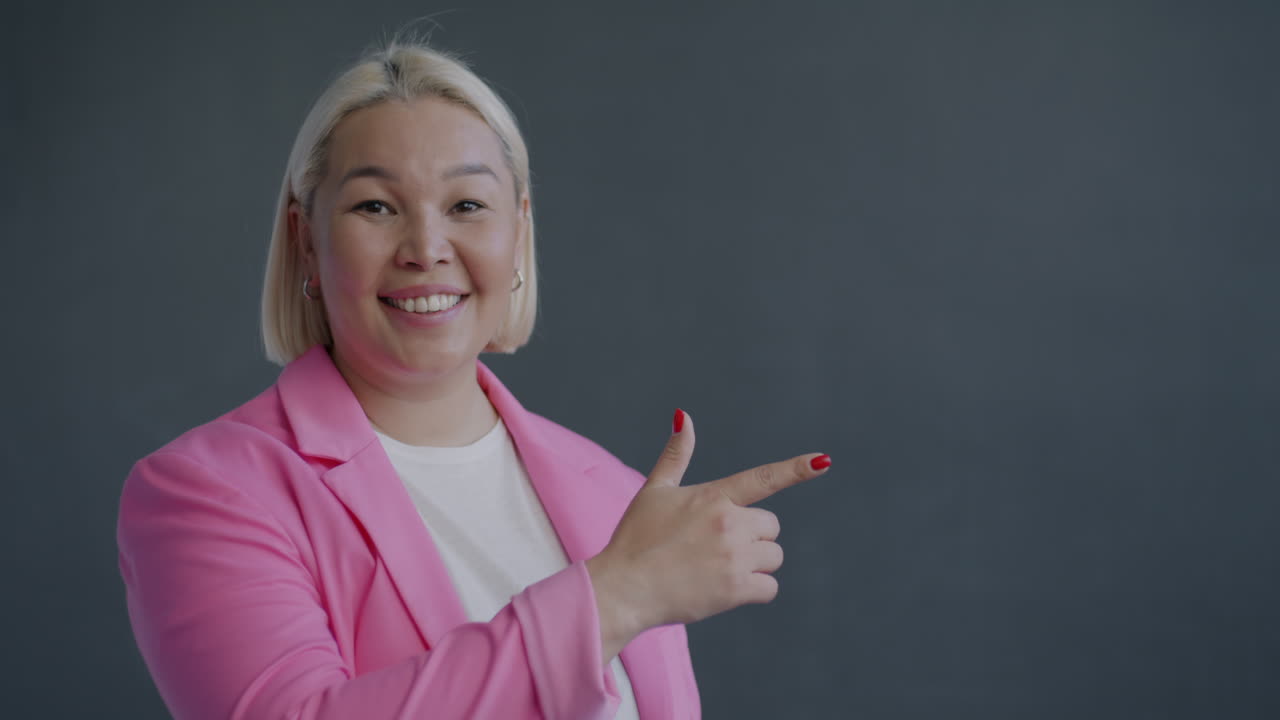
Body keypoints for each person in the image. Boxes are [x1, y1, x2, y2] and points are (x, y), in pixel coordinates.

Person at [117, 38, 832, 720]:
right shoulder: (207, 493)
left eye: (466, 206)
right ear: (308, 240)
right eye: (375, 206)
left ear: (517, 232)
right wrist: (616, 598)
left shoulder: (615, 494)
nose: (427, 249)